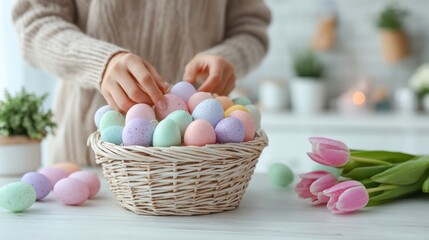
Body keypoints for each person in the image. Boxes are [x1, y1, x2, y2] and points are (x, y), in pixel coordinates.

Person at [12, 0, 271, 166]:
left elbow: (250, 29)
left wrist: (228, 58)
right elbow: (34, 22)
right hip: (90, 157)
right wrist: (101, 63)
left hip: (198, 172)